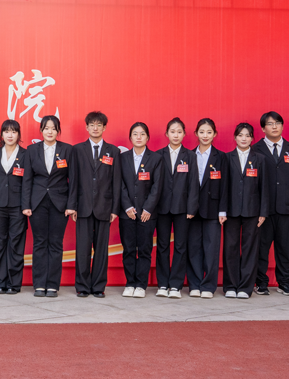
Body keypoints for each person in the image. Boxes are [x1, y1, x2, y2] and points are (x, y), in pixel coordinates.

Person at [21, 115, 77, 298]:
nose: (50, 132)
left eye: (53, 128)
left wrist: (71, 205)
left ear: (58, 131)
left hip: (60, 204)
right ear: (41, 131)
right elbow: (27, 179)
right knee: (39, 243)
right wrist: (26, 204)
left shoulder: (67, 150)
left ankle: (52, 285)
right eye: (46, 128)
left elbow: (73, 180)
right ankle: (39, 284)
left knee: (55, 243)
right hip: (37, 203)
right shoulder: (32, 150)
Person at [252, 111, 289, 296]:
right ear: (263, 128)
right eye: (270, 124)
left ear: (282, 126)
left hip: (288, 209)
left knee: (285, 249)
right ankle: (261, 283)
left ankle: (284, 283)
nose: (274, 126)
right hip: (263, 211)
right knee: (262, 249)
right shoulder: (255, 149)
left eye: (277, 123)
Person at [73, 111, 120, 298]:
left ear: (104, 128)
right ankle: (82, 286)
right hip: (82, 206)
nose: (95, 128)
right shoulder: (77, 150)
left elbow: (116, 182)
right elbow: (74, 180)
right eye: (92, 124)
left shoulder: (113, 151)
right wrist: (73, 205)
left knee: (101, 249)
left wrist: (115, 208)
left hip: (104, 206)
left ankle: (99, 286)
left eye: (99, 125)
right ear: (86, 127)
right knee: (82, 249)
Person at [222, 122, 271, 299]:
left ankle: (245, 287)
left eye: (247, 135)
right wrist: (222, 211)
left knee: (250, 248)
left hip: (253, 210)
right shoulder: (227, 158)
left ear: (252, 138)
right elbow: (223, 187)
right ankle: (230, 285)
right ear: (235, 137)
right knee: (230, 248)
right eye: (240, 135)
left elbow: (265, 187)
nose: (244, 138)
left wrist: (263, 212)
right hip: (231, 211)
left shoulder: (260, 159)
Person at [154, 118, 198, 298]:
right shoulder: (158, 155)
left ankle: (175, 285)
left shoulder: (190, 156)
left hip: (182, 208)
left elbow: (193, 184)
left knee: (180, 246)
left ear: (184, 134)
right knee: (162, 246)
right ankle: (162, 284)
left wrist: (191, 208)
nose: (176, 135)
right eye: (172, 131)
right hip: (161, 208)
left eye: (179, 132)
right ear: (167, 134)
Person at [118, 122, 163, 298]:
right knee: (128, 249)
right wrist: (127, 206)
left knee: (144, 249)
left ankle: (141, 285)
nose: (138, 137)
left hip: (147, 214)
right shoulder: (122, 158)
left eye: (142, 134)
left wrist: (148, 208)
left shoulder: (156, 158)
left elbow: (157, 186)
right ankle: (130, 283)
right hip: (127, 213)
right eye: (135, 134)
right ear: (130, 137)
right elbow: (119, 184)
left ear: (148, 137)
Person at [188, 118, 227, 299]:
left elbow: (225, 186)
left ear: (214, 134)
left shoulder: (221, 157)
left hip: (213, 209)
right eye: (202, 132)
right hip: (192, 210)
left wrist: (223, 210)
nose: (205, 135)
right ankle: (194, 284)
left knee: (211, 249)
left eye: (209, 132)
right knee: (193, 248)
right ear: (196, 134)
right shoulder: (189, 155)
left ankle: (209, 286)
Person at [0, 120, 28, 294]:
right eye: (7, 131)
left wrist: (26, 205)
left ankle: (14, 283)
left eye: (13, 132)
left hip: (18, 206)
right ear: (2, 135)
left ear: (18, 135)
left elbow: (28, 182)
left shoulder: (26, 154)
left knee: (16, 245)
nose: (10, 135)